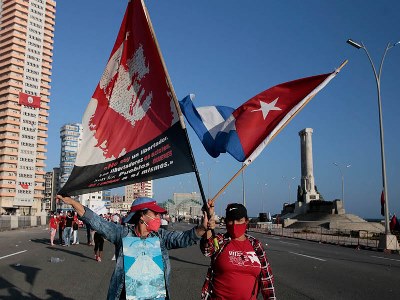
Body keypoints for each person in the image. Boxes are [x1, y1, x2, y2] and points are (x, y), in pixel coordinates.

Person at [56, 195, 211, 300]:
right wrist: (73, 203)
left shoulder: (161, 237)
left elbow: (184, 238)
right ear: (142, 216)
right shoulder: (122, 234)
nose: (159, 218)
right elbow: (96, 221)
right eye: (155, 214)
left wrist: (202, 228)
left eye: (160, 215)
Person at [200, 203, 275, 300]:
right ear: (226, 222)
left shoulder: (255, 245)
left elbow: (267, 279)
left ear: (246, 221)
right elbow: (207, 249)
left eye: (239, 220)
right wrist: (208, 223)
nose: (235, 224)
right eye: (231, 220)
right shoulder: (220, 240)